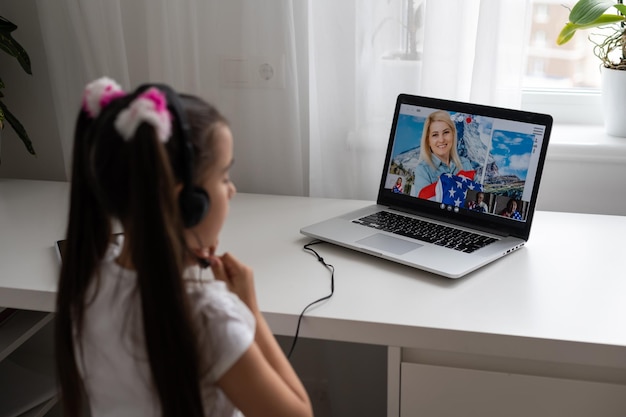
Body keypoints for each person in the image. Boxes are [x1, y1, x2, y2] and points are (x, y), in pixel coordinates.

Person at [55, 77, 313, 417]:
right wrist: (250, 308)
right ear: (189, 202)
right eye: (223, 178)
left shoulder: (86, 283)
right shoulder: (209, 318)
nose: (232, 190)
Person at [411, 110, 473, 199]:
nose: (441, 140)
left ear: (453, 134)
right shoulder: (423, 170)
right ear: (428, 140)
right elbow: (424, 206)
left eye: (446, 132)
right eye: (435, 135)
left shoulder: (465, 164)